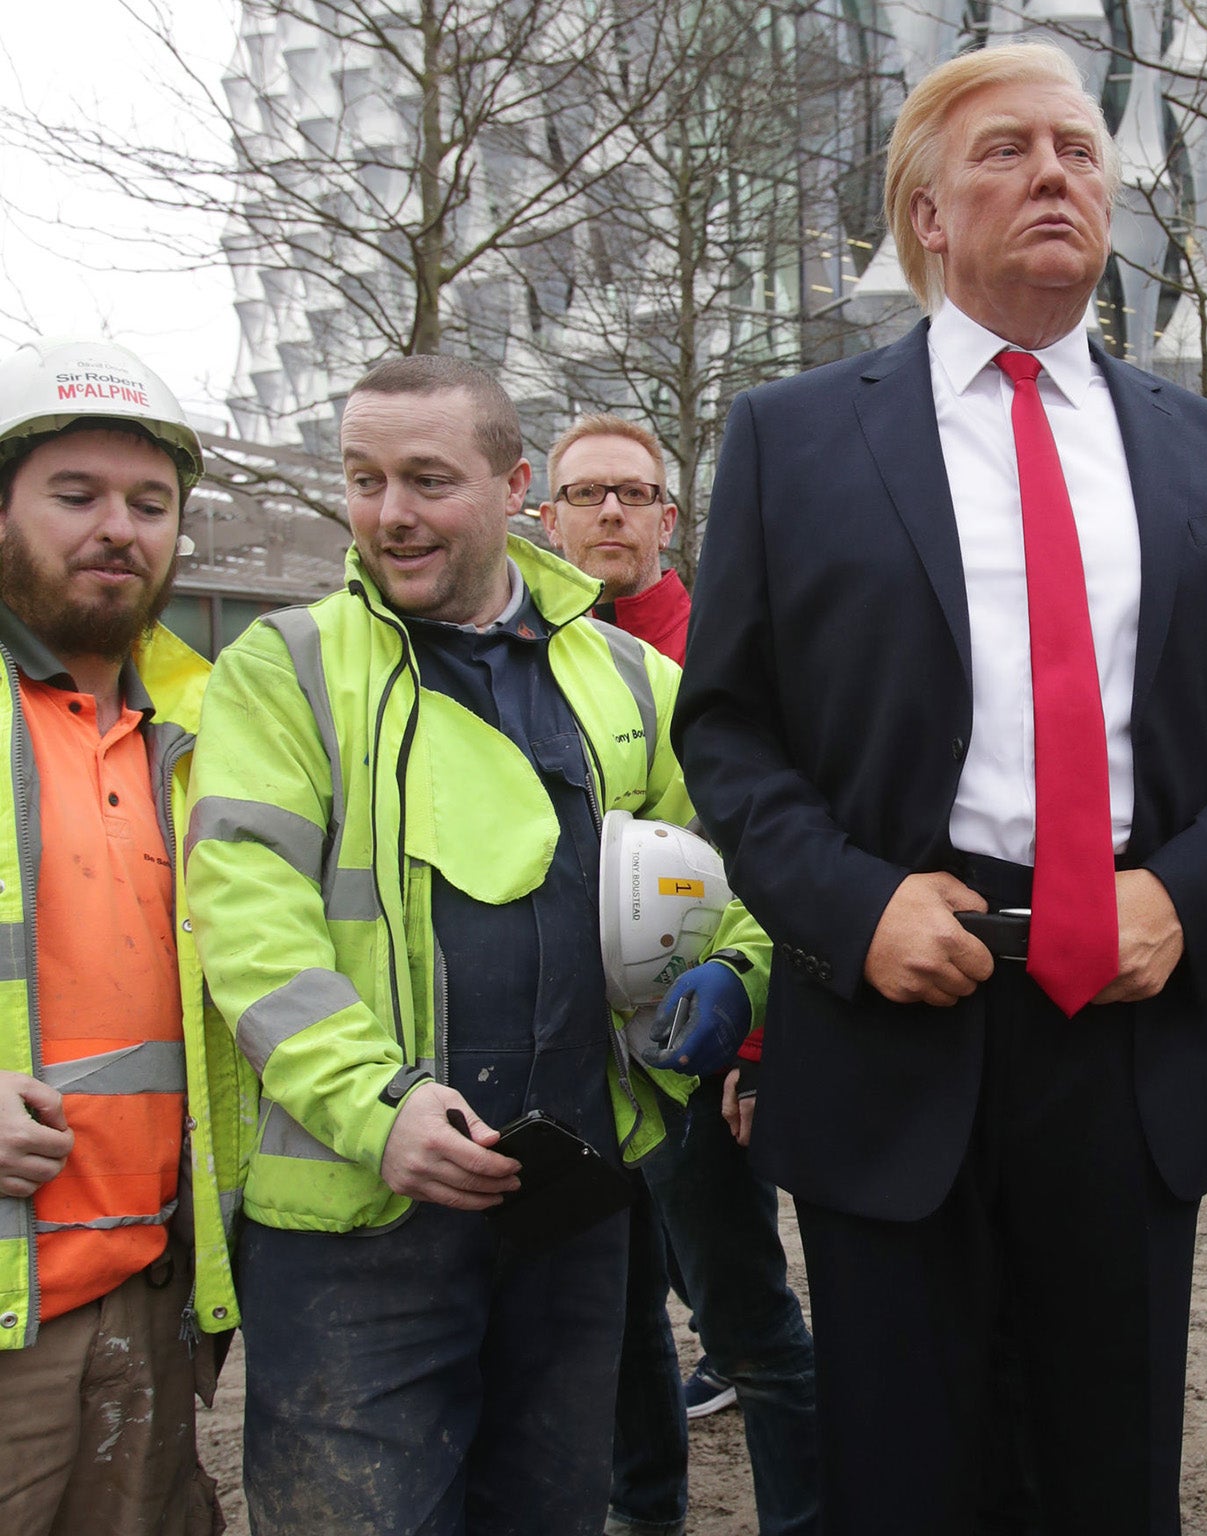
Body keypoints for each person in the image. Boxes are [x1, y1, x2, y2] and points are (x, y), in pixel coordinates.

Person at [676, 40, 1207, 1534]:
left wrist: (1183, 892)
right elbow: (726, 733)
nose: (1057, 172)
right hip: (894, 1017)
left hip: (1128, 1021)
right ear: (926, 214)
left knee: (1107, 1482)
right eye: (1007, 150)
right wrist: (851, 910)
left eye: (1080, 151)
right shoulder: (792, 441)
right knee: (904, 1481)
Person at [186, 355, 772, 1533]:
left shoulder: (634, 680)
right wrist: (378, 1105)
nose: (389, 513)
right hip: (358, 1231)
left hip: (566, 1212)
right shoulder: (285, 671)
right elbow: (248, 925)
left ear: (512, 489)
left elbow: (740, 871)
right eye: (364, 480)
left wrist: (736, 975)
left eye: (426, 479)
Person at [539, 412, 818, 1536]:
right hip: (563, 1053)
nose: (609, 512)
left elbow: (779, 858)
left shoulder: (729, 655)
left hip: (695, 1045)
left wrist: (755, 1045)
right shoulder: (514, 661)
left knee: (744, 1311)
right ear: (543, 515)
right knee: (609, 1318)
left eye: (632, 493)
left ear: (668, 516)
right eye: (584, 494)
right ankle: (644, 1513)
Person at [0, 338, 237, 1535]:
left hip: (153, 1293)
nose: (119, 529)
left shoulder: (201, 730)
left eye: (150, 504)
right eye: (75, 496)